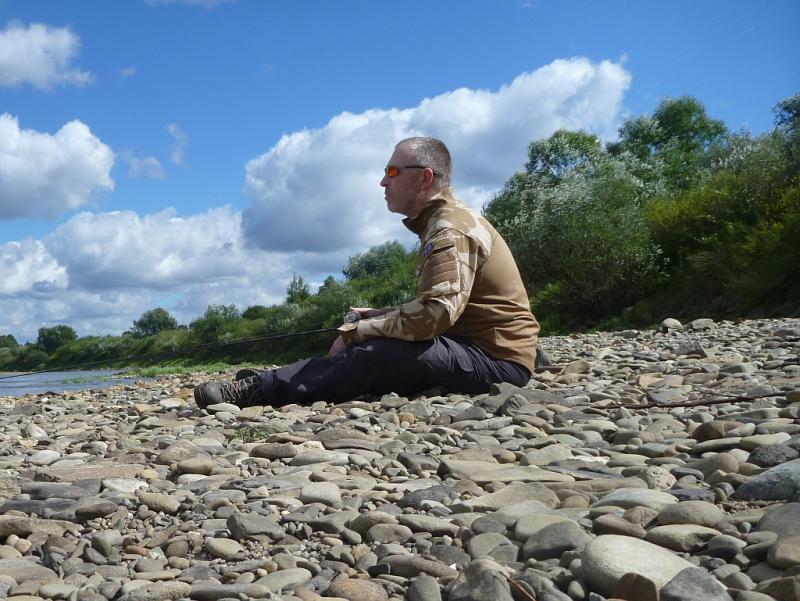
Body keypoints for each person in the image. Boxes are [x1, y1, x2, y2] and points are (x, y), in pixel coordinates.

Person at [194, 137, 541, 409]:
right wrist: (381, 315)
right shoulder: (444, 221)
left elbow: (434, 315)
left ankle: (260, 388)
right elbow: (441, 306)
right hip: (477, 347)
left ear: (424, 178)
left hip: (497, 362)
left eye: (392, 172)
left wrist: (355, 332)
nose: (382, 181)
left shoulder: (449, 229)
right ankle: (288, 378)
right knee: (382, 343)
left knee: (383, 352)